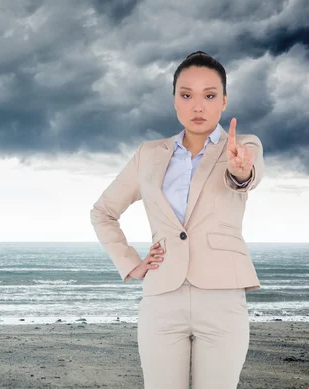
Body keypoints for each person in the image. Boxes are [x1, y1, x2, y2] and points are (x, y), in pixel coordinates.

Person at [89, 51, 264, 389]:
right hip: (162, 298)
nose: (197, 106)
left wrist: (242, 170)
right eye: (187, 95)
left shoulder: (243, 146)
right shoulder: (148, 155)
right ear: (175, 101)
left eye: (209, 96)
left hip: (222, 296)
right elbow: (103, 212)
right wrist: (131, 263)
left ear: (224, 101)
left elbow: (245, 176)